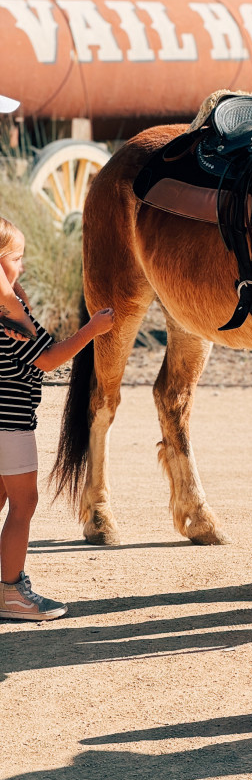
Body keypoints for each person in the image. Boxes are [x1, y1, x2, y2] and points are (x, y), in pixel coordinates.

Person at [0, 216, 114, 621]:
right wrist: (92, 330)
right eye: (16, 258)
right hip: (9, 425)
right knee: (23, 504)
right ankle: (12, 593)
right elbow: (48, 359)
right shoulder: (11, 321)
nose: (23, 266)